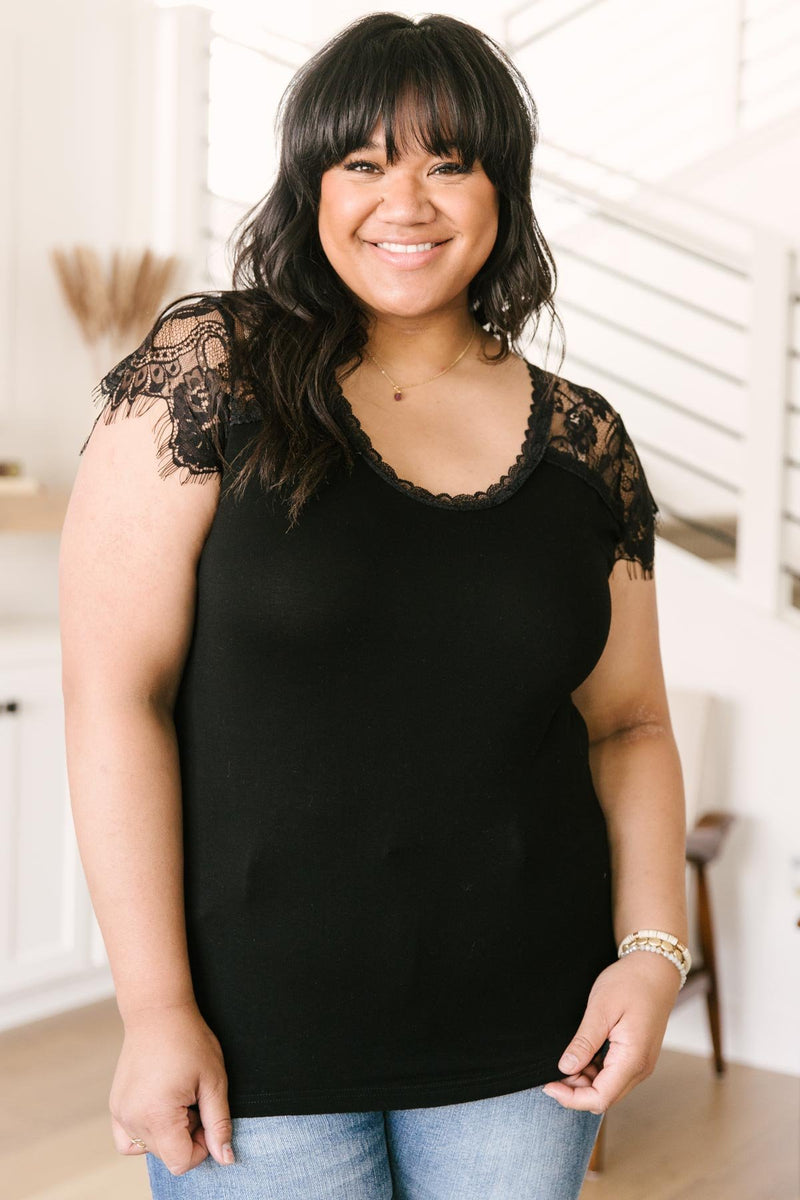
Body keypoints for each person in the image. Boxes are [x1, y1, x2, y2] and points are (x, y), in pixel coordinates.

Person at [59, 12, 690, 1200]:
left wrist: (649, 958)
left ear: (503, 186)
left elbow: (630, 727)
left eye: (447, 160)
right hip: (252, 1042)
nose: (405, 201)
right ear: (311, 186)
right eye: (362, 161)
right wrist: (152, 1008)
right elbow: (112, 695)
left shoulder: (584, 442)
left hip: (528, 1040)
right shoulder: (211, 371)